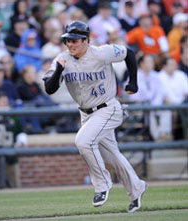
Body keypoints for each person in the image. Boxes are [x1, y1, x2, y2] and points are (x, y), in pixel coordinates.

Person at [43, 20, 147, 212]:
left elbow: (129, 53)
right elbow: (50, 88)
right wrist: (58, 69)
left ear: (86, 40)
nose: (70, 44)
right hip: (86, 114)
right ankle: (137, 188)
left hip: (108, 108)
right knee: (113, 157)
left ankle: (102, 185)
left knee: (83, 142)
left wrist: (133, 82)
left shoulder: (101, 52)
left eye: (75, 40)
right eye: (68, 40)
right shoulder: (62, 59)